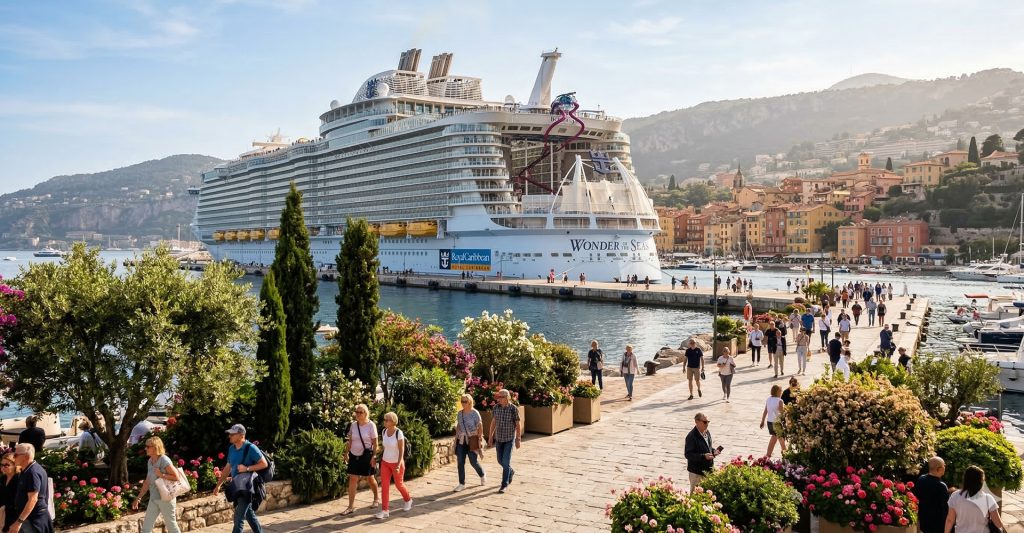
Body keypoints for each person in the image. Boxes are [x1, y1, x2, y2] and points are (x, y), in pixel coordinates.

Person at [213, 425, 268, 533]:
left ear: (241, 435)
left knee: (239, 517)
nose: (229, 436)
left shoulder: (251, 448)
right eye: (230, 434)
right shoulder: (232, 448)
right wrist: (218, 485)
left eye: (232, 434)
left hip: (248, 487)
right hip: (237, 486)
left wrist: (246, 468)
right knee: (249, 514)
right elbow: (228, 467)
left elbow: (264, 464)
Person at [132, 436, 182, 533]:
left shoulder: (164, 460)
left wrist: (161, 475)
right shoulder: (150, 461)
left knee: (171, 526)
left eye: (148, 446)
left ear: (155, 447)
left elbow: (176, 477)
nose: (145, 448)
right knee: (146, 528)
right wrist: (138, 498)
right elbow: (147, 481)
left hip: (166, 498)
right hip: (154, 498)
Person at [340, 405, 379, 515]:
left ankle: (376, 498)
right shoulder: (353, 425)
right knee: (353, 479)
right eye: (356, 412)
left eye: (360, 412)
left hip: (366, 455)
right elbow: (350, 441)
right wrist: (346, 453)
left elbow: (375, 443)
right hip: (354, 455)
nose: (357, 414)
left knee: (370, 478)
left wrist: (374, 456)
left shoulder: (371, 425)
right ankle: (350, 506)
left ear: (366, 413)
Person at [944, 465, 1006, 533]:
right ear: (981, 481)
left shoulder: (955, 496)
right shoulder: (988, 498)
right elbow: (997, 522)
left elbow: (950, 520)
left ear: (965, 479)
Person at [375, 412, 412, 519]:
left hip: (396, 463)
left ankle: (408, 499)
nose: (384, 422)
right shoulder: (384, 431)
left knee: (399, 484)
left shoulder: (398, 433)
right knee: (384, 487)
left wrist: (399, 464)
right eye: (384, 419)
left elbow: (401, 450)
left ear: (393, 421)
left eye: (387, 420)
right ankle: (385, 510)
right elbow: (385, 447)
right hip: (385, 463)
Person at [10, 443, 52, 533]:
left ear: (25, 456)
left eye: (16, 455)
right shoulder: (27, 470)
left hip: (34, 520)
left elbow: (32, 499)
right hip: (33, 518)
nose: (13, 457)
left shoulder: (32, 472)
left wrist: (19, 522)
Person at [488, 389, 522, 494]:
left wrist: (518, 439)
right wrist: (490, 437)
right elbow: (493, 422)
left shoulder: (513, 409)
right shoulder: (496, 408)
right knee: (500, 460)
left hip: (509, 439)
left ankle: (504, 484)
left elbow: (518, 424)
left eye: (501, 397)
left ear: (507, 398)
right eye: (498, 397)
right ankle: (510, 471)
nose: (499, 399)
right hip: (499, 438)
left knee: (506, 461)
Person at [453, 395, 486, 492]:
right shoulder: (460, 413)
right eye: (462, 401)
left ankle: (482, 475)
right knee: (460, 462)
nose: (463, 403)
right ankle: (461, 483)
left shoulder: (475, 413)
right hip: (462, 440)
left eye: (465, 401)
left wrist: (479, 438)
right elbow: (459, 425)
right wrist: (457, 437)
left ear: (470, 402)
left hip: (472, 439)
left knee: (473, 461)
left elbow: (480, 425)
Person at [912, 457, 949, 533]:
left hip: (923, 522)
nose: (945, 467)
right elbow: (945, 509)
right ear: (939, 469)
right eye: (944, 465)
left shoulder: (921, 479)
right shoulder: (941, 486)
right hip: (938, 526)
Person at [683, 413, 718, 489]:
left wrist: (713, 451)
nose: (707, 424)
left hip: (708, 470)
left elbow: (707, 447)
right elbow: (688, 454)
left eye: (708, 422)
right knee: (695, 495)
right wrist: (703, 456)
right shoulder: (691, 436)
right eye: (705, 422)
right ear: (697, 422)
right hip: (697, 473)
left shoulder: (707, 432)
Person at [759, 385, 786, 458]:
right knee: (781, 439)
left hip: (769, 422)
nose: (781, 392)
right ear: (777, 392)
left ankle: (768, 454)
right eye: (781, 391)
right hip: (777, 422)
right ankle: (786, 454)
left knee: (774, 437)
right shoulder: (780, 401)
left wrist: (762, 421)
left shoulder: (768, 399)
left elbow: (765, 411)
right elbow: (782, 413)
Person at [0, 452, 21, 533]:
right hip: (4, 515)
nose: (3, 467)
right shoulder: (3, 478)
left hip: (15, 516)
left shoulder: (19, 478)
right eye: (2, 465)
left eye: (6, 465)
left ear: (15, 465)